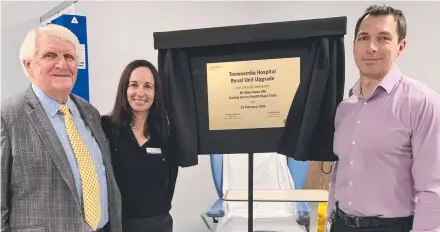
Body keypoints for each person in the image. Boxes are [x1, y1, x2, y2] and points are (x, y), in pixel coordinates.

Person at [327, 4, 440, 232]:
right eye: (364, 37)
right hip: (342, 224)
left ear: (401, 46)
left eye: (383, 38)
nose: (371, 47)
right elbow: (341, 171)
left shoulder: (422, 103)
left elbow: (433, 189)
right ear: (354, 47)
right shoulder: (344, 109)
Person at [0, 24, 122, 232]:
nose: (62, 64)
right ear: (29, 65)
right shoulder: (7, 117)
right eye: (50, 55)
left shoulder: (89, 113)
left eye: (69, 57)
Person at [101, 59, 178, 232]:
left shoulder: (165, 136)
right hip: (117, 224)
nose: (140, 93)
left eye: (148, 86)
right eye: (134, 85)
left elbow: (170, 181)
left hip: (158, 224)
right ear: (124, 89)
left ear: (156, 92)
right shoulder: (105, 128)